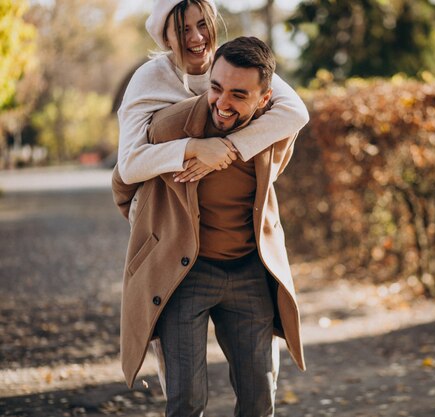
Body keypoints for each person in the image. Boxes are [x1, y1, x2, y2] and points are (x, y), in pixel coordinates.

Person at [112, 37, 305, 417]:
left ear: (264, 100)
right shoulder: (169, 127)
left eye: (238, 94)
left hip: (249, 271)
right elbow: (123, 182)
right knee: (186, 400)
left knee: (259, 398)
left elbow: (278, 161)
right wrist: (154, 232)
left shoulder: (272, 135)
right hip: (187, 275)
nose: (222, 102)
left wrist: (232, 148)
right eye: (216, 88)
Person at [117, 0, 309, 185]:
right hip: (170, 206)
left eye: (203, 25)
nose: (198, 37)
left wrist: (229, 147)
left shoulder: (231, 62)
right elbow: (128, 165)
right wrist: (194, 148)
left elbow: (296, 113)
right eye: (184, 30)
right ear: (166, 38)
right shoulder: (148, 79)